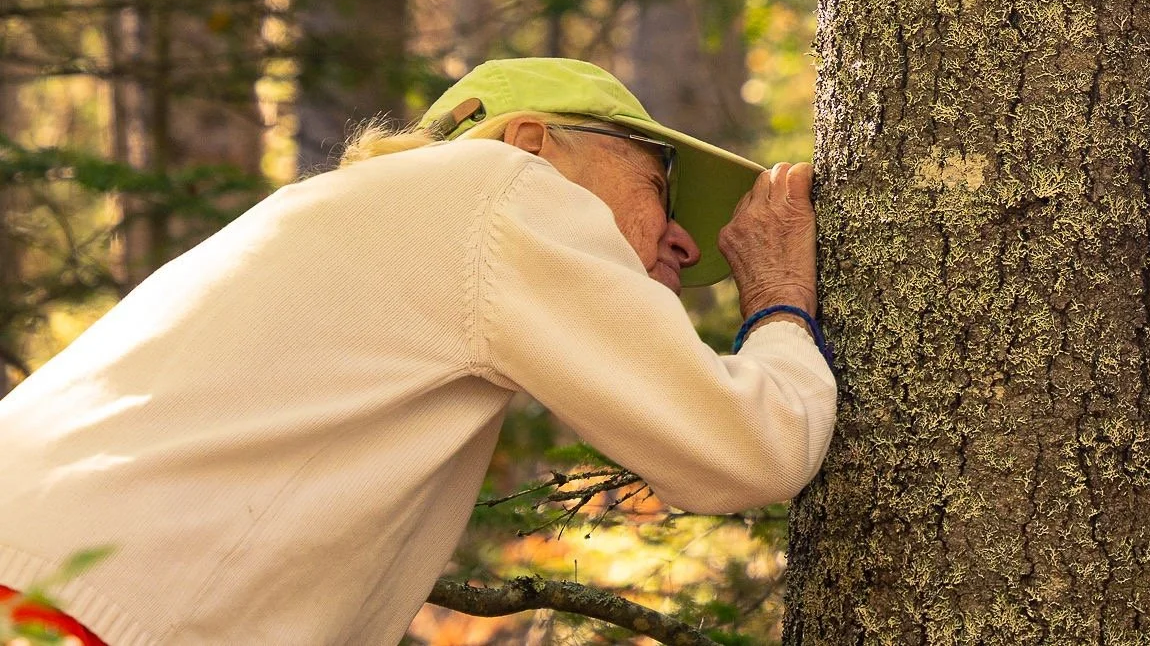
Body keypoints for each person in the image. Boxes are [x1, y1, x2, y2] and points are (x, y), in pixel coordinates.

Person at [0, 58, 833, 646]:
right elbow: (752, 446)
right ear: (534, 142)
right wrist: (781, 304)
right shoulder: (497, 186)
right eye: (660, 184)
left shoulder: (357, 218)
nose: (686, 243)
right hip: (84, 609)